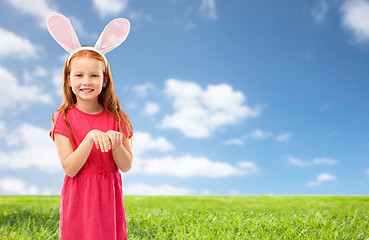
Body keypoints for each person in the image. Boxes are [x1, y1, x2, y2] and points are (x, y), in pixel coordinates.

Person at [47, 12, 133, 240]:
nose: (86, 81)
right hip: (80, 201)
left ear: (104, 80)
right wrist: (90, 137)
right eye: (79, 75)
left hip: (109, 200)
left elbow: (126, 166)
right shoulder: (63, 118)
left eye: (94, 75)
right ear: (69, 79)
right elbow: (70, 168)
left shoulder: (118, 118)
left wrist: (116, 147)